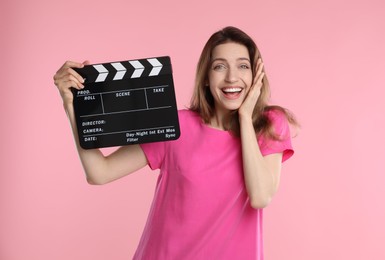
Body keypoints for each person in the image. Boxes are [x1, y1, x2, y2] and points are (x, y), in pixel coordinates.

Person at [53, 26, 298, 260]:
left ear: (256, 76)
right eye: (219, 66)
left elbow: (261, 196)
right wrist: (71, 107)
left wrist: (245, 116)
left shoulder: (270, 124)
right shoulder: (176, 125)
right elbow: (100, 172)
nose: (231, 77)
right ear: (206, 77)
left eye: (243, 66)